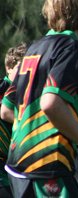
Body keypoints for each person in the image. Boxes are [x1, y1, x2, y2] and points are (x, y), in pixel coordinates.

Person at [0, 0, 78, 197]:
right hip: (48, 163)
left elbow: (7, 109)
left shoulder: (32, 49)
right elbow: (50, 104)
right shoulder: (72, 49)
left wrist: (73, 120)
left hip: (17, 165)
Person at [0, 42, 28, 198]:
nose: (24, 75)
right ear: (8, 67)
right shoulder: (4, 89)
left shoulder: (27, 94)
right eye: (20, 69)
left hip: (15, 167)